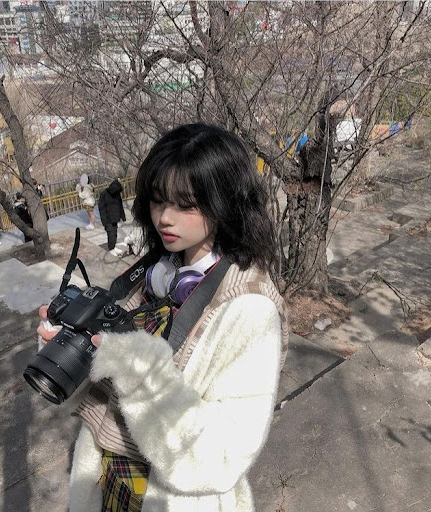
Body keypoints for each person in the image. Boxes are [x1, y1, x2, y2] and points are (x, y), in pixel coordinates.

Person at [37, 123, 289, 512]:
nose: (165, 219)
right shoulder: (160, 269)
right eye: (157, 201)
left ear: (226, 202)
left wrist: (142, 375)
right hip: (108, 475)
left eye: (186, 205)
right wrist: (71, 347)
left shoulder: (250, 309)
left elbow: (223, 455)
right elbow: (109, 373)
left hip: (170, 497)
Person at [98, 178, 126, 257]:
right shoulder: (104, 194)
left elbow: (120, 205)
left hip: (115, 217)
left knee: (115, 233)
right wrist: (104, 221)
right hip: (108, 218)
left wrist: (123, 216)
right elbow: (101, 208)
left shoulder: (117, 194)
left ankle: (113, 247)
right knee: (111, 234)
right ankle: (111, 249)